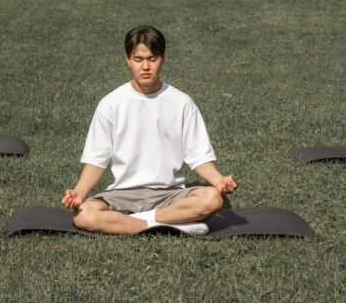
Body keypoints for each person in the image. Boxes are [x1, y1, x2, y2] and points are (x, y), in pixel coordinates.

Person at [62, 26, 237, 235]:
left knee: (213, 199)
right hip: (123, 194)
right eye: (138, 59)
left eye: (152, 58)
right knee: (84, 214)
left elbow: (198, 156)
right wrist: (80, 193)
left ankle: (136, 223)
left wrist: (219, 181)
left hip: (170, 195)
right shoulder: (110, 104)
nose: (145, 66)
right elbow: (96, 160)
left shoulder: (182, 103)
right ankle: (172, 224)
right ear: (128, 60)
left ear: (162, 58)